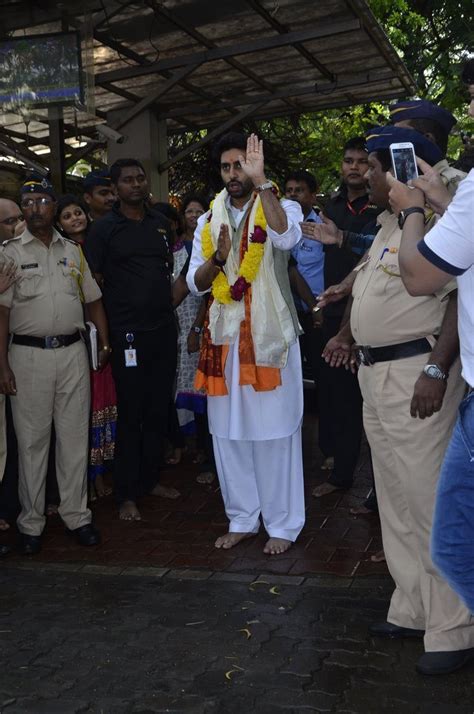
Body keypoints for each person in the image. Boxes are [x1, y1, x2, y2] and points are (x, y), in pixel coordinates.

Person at [321, 126, 474, 676]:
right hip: (375, 375)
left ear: (408, 169)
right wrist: (345, 335)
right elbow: (368, 292)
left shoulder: (440, 219)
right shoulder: (389, 223)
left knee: (431, 503)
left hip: (418, 374)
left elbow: (460, 300)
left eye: (377, 165)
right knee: (395, 499)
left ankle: (454, 625)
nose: (366, 172)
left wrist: (437, 367)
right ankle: (413, 607)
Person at [187, 132, 305, 556]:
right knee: (228, 434)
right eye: (227, 167)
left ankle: (284, 524)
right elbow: (195, 284)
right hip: (224, 338)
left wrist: (263, 185)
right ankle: (242, 518)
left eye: (241, 165)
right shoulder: (208, 220)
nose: (234, 174)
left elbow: (288, 238)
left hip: (269, 339)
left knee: (275, 432)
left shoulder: (278, 202)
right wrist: (217, 260)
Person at [386, 57, 474, 614]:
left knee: (450, 543)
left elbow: (423, 279)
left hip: (434, 373)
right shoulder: (460, 194)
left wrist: (417, 209)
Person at [0, 175, 109, 555]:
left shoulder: (72, 251)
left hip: (72, 353)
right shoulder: (9, 253)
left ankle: (77, 515)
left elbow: (93, 300)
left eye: (42, 201)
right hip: (26, 357)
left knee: (74, 438)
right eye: (27, 202)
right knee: (32, 443)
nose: (35, 208)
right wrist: (2, 365)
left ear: (54, 206)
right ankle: (31, 523)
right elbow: (2, 313)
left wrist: (104, 342)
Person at [85, 159, 179, 523]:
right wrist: (105, 339)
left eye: (141, 178)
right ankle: (126, 493)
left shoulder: (160, 224)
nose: (136, 185)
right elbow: (93, 285)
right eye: (128, 180)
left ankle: (150, 479)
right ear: (115, 187)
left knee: (158, 409)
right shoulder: (103, 230)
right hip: (127, 336)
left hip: (162, 331)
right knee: (131, 414)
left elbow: (166, 274)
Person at [308, 137, 381, 497]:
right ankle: (342, 473)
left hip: (373, 313)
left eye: (361, 161)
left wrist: (341, 240)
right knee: (338, 396)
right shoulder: (330, 207)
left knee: (374, 403)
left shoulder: (382, 205)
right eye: (348, 160)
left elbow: (378, 253)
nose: (354, 167)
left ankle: (378, 489)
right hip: (334, 310)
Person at [55, 195, 117, 499]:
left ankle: (101, 475)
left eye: (77, 212)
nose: (75, 219)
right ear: (59, 225)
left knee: (103, 404)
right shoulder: (63, 253)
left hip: (101, 334)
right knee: (82, 412)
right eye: (66, 216)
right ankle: (85, 482)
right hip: (74, 338)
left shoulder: (99, 245)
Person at [173, 195, 215, 481]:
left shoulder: (211, 249)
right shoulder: (174, 248)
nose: (194, 215)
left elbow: (207, 291)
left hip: (201, 326)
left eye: (200, 211)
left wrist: (197, 328)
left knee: (208, 393)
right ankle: (194, 447)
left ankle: (211, 457)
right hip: (176, 325)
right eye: (190, 211)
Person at [284, 171, 324, 399]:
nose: (292, 195)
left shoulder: (324, 226)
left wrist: (317, 308)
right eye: (288, 191)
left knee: (322, 374)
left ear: (312, 195)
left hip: (316, 313)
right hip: (289, 312)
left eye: (298, 190)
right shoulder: (277, 227)